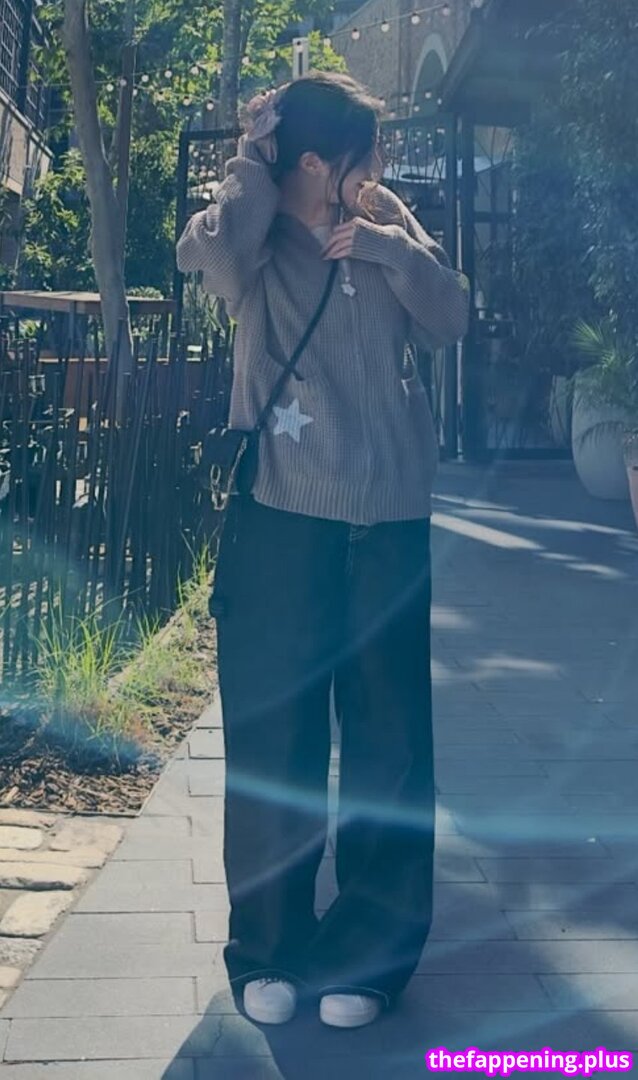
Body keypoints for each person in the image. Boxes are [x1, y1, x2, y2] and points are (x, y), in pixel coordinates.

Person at [176, 71, 469, 1030]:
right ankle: (269, 947)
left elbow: (452, 315)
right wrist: (249, 162)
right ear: (313, 160)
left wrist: (388, 246)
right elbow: (214, 266)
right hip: (282, 518)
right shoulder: (251, 226)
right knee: (277, 736)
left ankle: (370, 956)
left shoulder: (386, 216)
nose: (379, 165)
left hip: (388, 519)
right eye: (364, 152)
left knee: (391, 742)